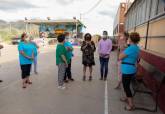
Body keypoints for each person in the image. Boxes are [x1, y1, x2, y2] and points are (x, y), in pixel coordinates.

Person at [119, 32, 140, 111]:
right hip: (131, 69)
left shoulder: (131, 48)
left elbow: (120, 57)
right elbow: (138, 58)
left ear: (131, 39)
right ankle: (126, 98)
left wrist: (122, 49)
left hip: (127, 70)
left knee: (126, 87)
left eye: (129, 38)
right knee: (126, 85)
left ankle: (131, 105)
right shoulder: (136, 48)